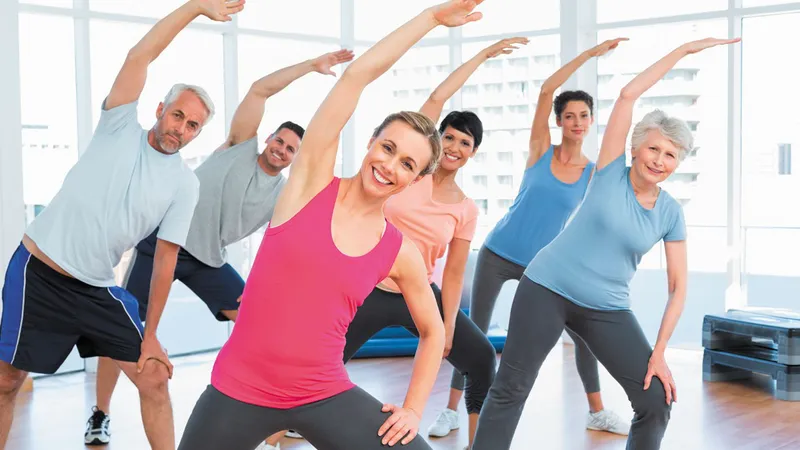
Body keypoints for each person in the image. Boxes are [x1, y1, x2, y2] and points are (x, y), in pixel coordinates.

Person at [177, 2, 488, 449]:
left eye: (406, 164)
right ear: (370, 142)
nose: (388, 165)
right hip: (237, 389)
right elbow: (357, 76)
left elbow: (433, 328)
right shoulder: (309, 184)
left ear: (416, 179)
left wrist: (414, 409)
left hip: (321, 393)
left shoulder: (397, 250)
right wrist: (430, 21)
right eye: (387, 147)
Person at [471, 37, 739, 450]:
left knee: (655, 398)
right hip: (546, 287)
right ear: (635, 148)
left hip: (607, 307)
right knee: (512, 387)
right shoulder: (611, 170)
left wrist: (660, 351)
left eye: (670, 155)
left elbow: (678, 287)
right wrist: (682, 51)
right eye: (653, 148)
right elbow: (630, 93)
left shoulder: (671, 213)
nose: (659, 160)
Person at [0, 1, 246, 449]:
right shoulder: (117, 125)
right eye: (178, 116)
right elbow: (140, 55)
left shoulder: (182, 185)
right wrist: (194, 8)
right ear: (160, 108)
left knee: (154, 377)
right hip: (38, 273)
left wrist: (151, 334)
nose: (181, 129)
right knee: (7, 381)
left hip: (95, 288)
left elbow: (165, 260)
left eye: (193, 126)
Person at [83, 49, 353, 447]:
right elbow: (260, 90)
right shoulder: (239, 146)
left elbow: (303, 236)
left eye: (290, 149)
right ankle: (100, 413)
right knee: (121, 329)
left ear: (296, 157)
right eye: (279, 140)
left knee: (256, 319)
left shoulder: (282, 197)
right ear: (269, 138)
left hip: (207, 260)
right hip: (160, 244)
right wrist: (310, 67)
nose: (280, 149)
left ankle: (272, 409)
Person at [283, 36, 529, 450]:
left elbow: (452, 275)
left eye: (464, 143)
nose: (453, 147)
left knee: (482, 357)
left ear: (472, 153)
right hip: (368, 286)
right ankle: (291, 419)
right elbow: (437, 96)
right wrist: (483, 55)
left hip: (418, 293)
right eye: (448, 137)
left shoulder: (465, 210)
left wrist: (447, 325)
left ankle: (480, 442)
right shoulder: (410, 174)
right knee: (324, 356)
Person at [432, 38, 633, 439]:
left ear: (591, 121)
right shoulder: (541, 149)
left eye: (584, 115)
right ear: (559, 120)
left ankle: (596, 410)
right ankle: (451, 410)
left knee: (581, 332)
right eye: (569, 115)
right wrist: (589, 55)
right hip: (497, 252)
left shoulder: (592, 174)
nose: (577, 121)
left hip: (544, 267)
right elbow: (544, 90)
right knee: (472, 331)